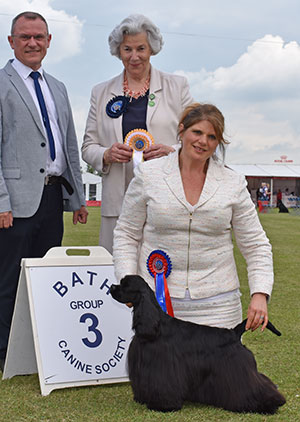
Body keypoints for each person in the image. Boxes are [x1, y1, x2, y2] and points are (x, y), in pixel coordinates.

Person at [113, 103, 274, 332]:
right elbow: (126, 233)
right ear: (182, 130)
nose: (203, 141)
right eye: (197, 132)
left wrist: (260, 293)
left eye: (212, 136)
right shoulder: (149, 175)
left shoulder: (233, 183)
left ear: (218, 142)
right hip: (157, 307)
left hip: (219, 308)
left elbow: (256, 244)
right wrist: (128, 280)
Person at [0, 11, 88, 370]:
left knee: (46, 281)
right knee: (8, 282)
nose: (32, 43)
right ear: (11, 42)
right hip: (14, 205)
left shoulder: (58, 87)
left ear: (49, 41)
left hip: (52, 199)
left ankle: (39, 350)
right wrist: (1, 202)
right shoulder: (2, 84)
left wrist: (77, 198)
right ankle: (5, 353)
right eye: (24, 37)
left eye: (39, 37)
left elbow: (68, 147)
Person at [82, 14, 193, 254]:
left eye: (141, 48)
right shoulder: (100, 92)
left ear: (152, 48)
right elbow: (88, 146)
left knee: (163, 272)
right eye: (127, 49)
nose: (134, 57)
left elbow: (194, 139)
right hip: (117, 202)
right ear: (118, 51)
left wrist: (170, 151)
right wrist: (106, 154)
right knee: (119, 275)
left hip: (165, 198)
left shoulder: (178, 86)